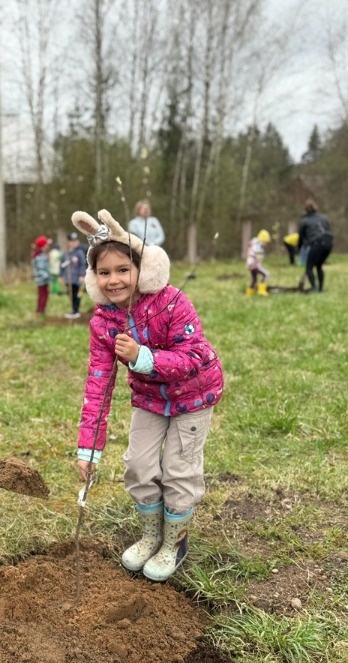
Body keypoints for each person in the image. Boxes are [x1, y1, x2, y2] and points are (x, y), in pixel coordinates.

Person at [71, 209, 223, 582]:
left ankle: (174, 542)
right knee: (138, 466)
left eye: (123, 269)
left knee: (178, 469)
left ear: (141, 267)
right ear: (94, 278)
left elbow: (195, 356)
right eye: (104, 273)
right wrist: (88, 449)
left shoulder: (172, 302)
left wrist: (142, 357)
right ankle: (151, 535)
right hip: (151, 400)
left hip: (194, 397)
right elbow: (99, 384)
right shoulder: (103, 323)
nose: (114, 280)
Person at [297, 199, 333, 292]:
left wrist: (299, 249)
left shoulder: (304, 221)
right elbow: (328, 229)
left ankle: (314, 288)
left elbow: (301, 237)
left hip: (317, 243)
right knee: (319, 265)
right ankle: (320, 288)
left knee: (309, 267)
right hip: (329, 243)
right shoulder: (324, 217)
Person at [61, 231, 87, 319]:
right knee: (71, 294)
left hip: (77, 279)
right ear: (68, 242)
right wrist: (61, 275)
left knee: (77, 294)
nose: (74, 243)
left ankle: (76, 311)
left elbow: (83, 264)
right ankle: (73, 309)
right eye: (72, 241)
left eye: (76, 241)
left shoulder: (79, 253)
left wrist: (82, 275)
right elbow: (62, 265)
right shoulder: (66, 253)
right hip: (69, 279)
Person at [245, 229, 271, 297]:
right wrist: (259, 263)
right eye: (265, 242)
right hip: (254, 264)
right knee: (266, 274)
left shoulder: (254, 243)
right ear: (263, 240)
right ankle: (261, 291)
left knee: (254, 279)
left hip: (250, 264)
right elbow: (257, 255)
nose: (266, 244)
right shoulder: (257, 245)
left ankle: (249, 293)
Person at [32, 235, 50, 314]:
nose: (48, 245)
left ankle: (40, 309)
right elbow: (40, 269)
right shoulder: (40, 256)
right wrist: (47, 276)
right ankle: (41, 310)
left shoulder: (41, 254)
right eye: (46, 244)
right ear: (43, 245)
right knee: (43, 295)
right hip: (42, 279)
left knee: (42, 294)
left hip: (41, 279)